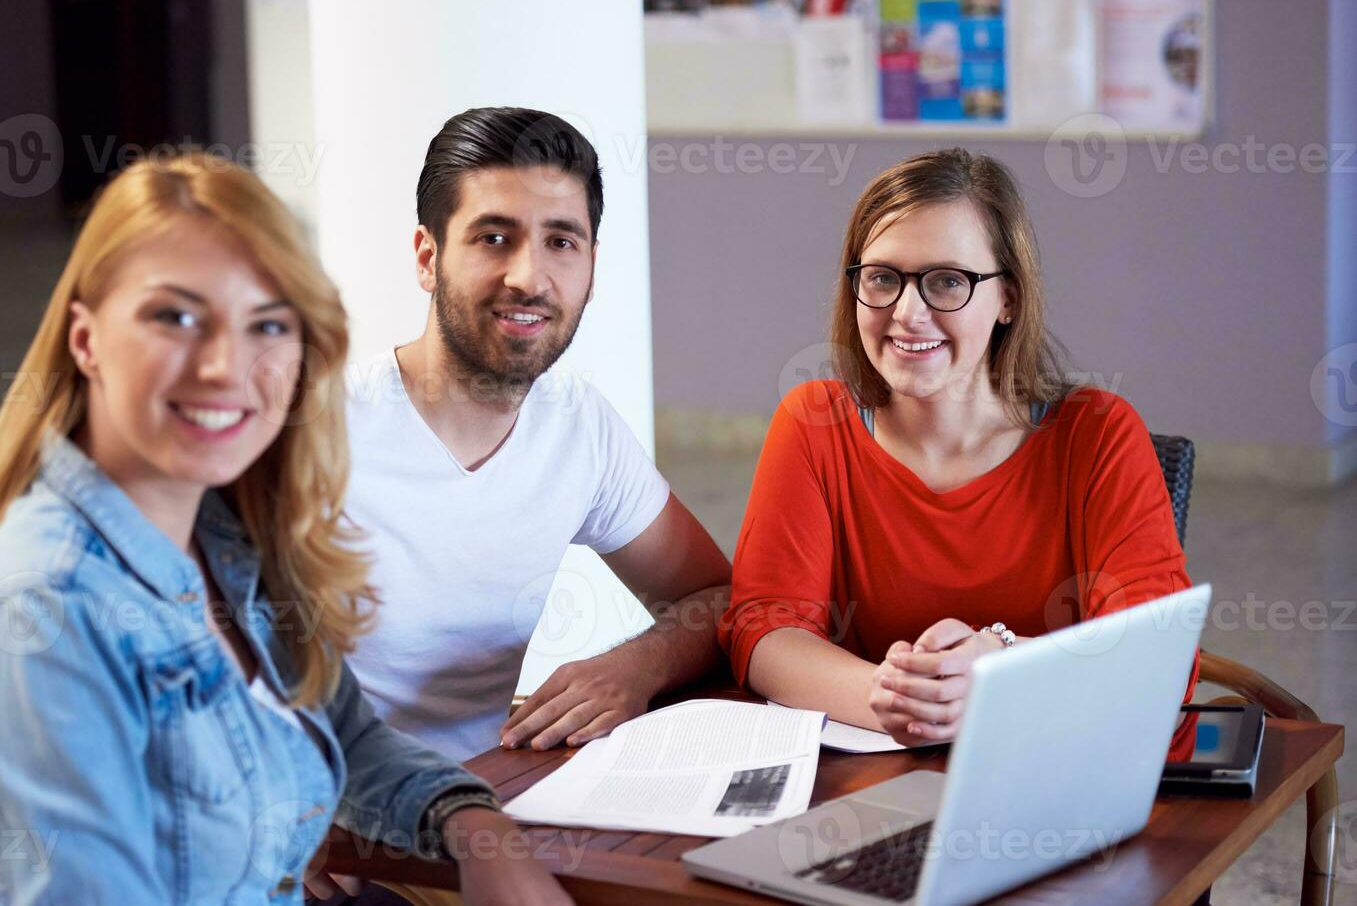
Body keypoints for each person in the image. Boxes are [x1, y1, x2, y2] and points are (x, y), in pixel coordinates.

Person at [0, 153, 570, 904]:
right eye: (174, 317)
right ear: (85, 339)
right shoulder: (48, 609)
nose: (223, 367)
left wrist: (476, 829)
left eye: (266, 324)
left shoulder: (224, 529)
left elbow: (343, 730)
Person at [719, 148, 1197, 747]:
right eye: (883, 278)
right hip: (869, 779)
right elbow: (765, 631)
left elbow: (1156, 658)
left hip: (1055, 766)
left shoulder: (1098, 433)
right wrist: (895, 699)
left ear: (1008, 300)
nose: (907, 313)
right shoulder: (813, 423)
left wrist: (997, 667)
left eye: (948, 281)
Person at [343, 107, 732, 761]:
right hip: (309, 841)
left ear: (590, 264)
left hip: (471, 816)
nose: (528, 277)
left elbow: (716, 599)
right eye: (493, 237)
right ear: (427, 257)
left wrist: (638, 665)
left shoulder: (578, 424)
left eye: (560, 241)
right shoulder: (311, 430)